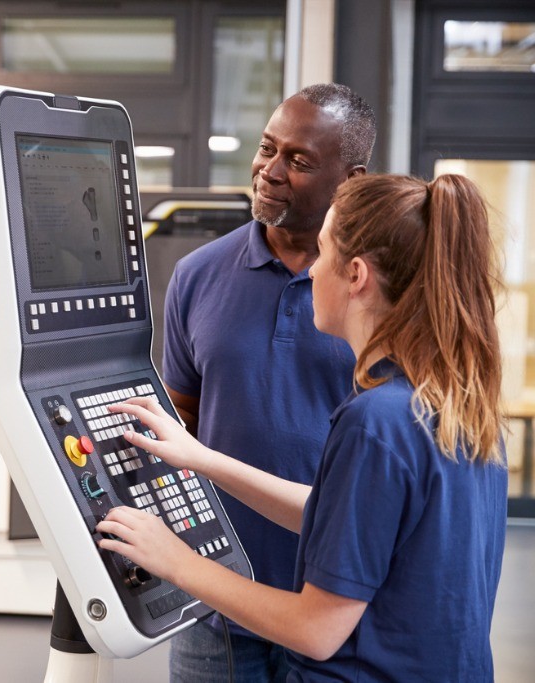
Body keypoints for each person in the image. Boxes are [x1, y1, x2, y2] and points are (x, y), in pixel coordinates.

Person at [99, 173, 508, 681]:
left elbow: (316, 629)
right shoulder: (451, 404)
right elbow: (336, 518)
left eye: (321, 254)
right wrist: (199, 456)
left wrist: (175, 560)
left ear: (355, 275)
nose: (310, 272)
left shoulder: (374, 424)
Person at [160, 83, 376, 681]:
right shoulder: (196, 276)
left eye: (299, 161)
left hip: (339, 604)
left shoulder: (372, 291)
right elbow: (183, 424)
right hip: (219, 604)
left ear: (350, 179)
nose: (270, 170)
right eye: (266, 149)